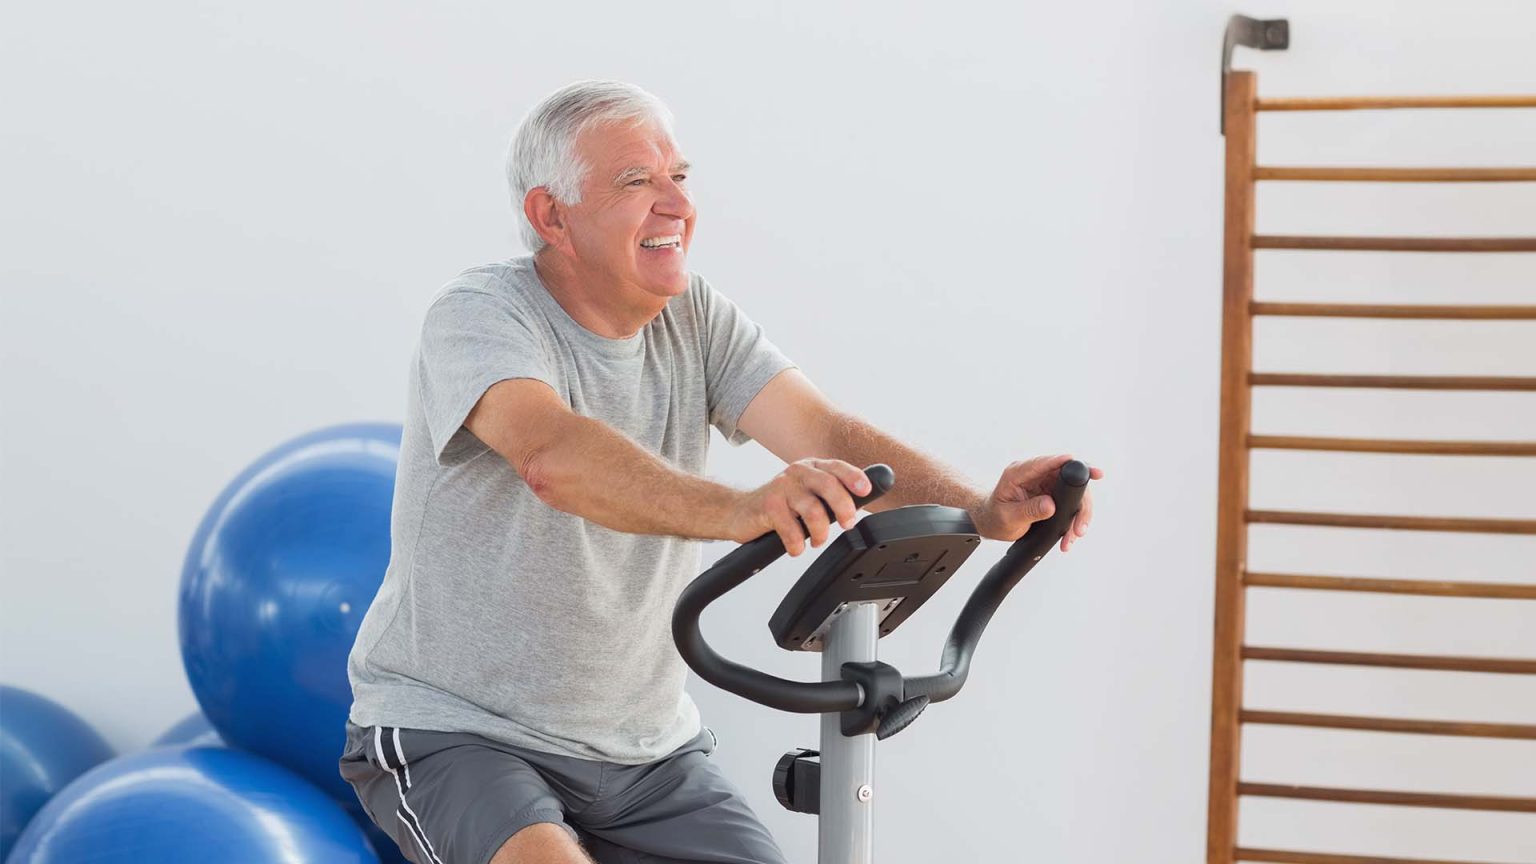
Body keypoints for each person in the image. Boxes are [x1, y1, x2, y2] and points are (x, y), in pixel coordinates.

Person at [339, 80, 1102, 864]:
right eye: (637, 182)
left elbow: (823, 430)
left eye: (680, 177)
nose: (676, 204)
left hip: (646, 755)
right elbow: (552, 456)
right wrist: (742, 510)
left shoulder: (694, 317)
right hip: (463, 732)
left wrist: (982, 509)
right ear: (550, 217)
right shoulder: (481, 315)